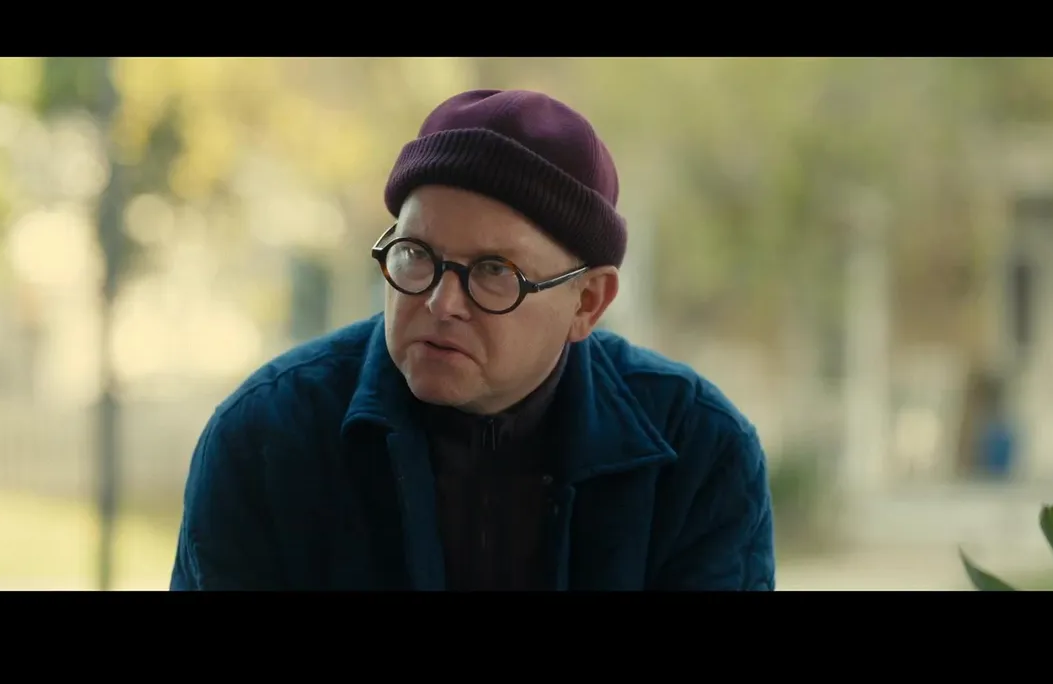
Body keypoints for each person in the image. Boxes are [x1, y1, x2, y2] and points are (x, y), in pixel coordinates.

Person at [169, 88, 775, 591]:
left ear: (588, 302)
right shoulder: (270, 437)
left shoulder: (696, 452)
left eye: (493, 271)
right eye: (416, 254)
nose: (440, 303)